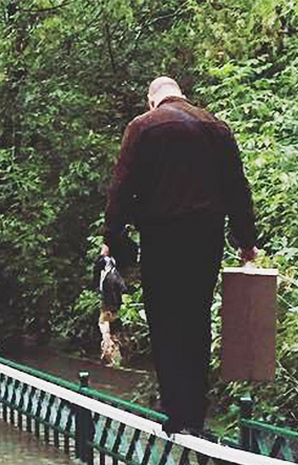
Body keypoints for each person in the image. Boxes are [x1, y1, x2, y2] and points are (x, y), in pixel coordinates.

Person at [103, 76, 260, 436]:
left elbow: (121, 189)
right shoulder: (216, 127)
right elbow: (237, 188)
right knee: (196, 319)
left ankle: (177, 416)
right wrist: (246, 241)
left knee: (166, 322)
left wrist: (112, 237)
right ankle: (196, 414)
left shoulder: (143, 127)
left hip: (162, 238)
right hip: (205, 240)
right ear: (181, 94)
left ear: (151, 99)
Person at [94, 243, 126, 366]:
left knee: (105, 330)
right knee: (109, 331)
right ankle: (111, 355)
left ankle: (109, 354)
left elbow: (121, 290)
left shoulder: (112, 275)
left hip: (109, 306)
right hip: (112, 306)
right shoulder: (113, 274)